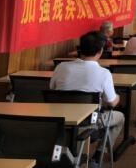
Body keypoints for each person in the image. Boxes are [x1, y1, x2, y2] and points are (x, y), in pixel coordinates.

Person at [50, 31, 125, 165]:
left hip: (59, 123)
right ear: (100, 51)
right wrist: (118, 97)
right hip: (89, 124)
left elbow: (52, 90)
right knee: (120, 117)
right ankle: (97, 156)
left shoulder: (61, 67)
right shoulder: (104, 73)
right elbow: (112, 103)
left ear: (81, 48)